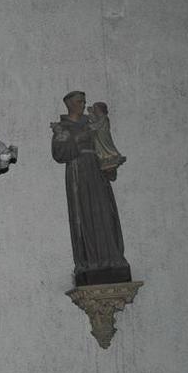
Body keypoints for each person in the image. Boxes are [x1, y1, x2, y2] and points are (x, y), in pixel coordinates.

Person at [51, 91, 131, 286]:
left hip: (97, 172)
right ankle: (90, 261)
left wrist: (109, 163)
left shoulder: (92, 123)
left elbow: (104, 143)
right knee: (84, 216)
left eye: (84, 101)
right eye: (79, 101)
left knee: (105, 213)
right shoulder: (63, 127)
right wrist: (76, 140)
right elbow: (59, 153)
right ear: (69, 104)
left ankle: (112, 258)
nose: (82, 104)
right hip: (79, 175)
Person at [87, 101, 127, 180]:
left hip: (103, 138)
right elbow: (94, 120)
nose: (94, 110)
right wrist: (91, 113)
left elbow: (96, 125)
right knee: (101, 149)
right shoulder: (99, 117)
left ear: (100, 110)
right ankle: (105, 160)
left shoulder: (103, 118)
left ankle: (111, 157)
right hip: (99, 138)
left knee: (106, 148)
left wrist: (88, 126)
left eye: (95, 108)